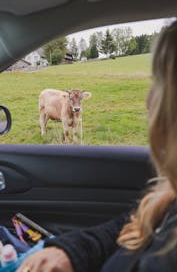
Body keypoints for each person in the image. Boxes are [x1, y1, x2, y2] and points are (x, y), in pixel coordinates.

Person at [17, 22, 177, 272]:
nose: (147, 101)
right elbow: (134, 224)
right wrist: (72, 251)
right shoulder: (169, 196)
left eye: (160, 83)